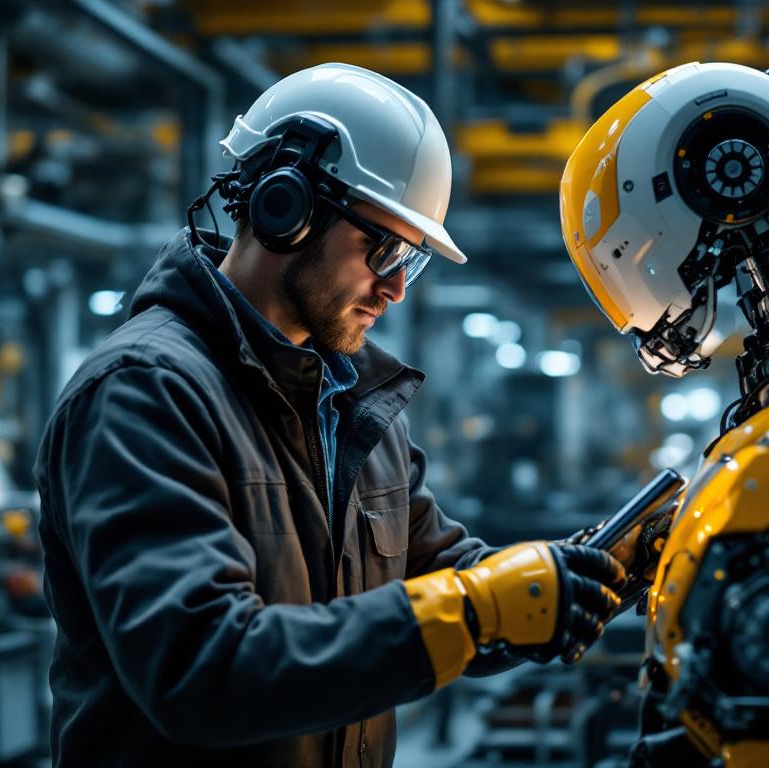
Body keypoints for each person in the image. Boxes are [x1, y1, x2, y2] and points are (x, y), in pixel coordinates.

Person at [32, 62, 625, 768]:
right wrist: (473, 609)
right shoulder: (145, 393)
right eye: (387, 248)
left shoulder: (351, 402)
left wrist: (598, 569)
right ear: (288, 207)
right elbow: (201, 669)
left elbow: (440, 576)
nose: (398, 287)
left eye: (414, 259)